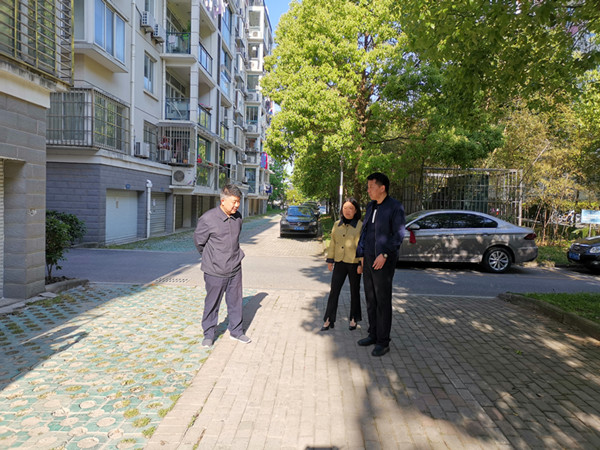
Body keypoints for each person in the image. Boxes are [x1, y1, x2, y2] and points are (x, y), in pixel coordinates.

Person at [193, 184, 251, 347]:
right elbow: (199, 242)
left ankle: (236, 331)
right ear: (223, 201)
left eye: (238, 202)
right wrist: (212, 258)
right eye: (234, 202)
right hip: (215, 270)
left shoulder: (237, 217)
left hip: (235, 268)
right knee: (212, 304)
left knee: (236, 302)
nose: (237, 205)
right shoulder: (208, 219)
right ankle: (209, 334)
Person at [356, 172, 405, 357]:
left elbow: (398, 234)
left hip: (383, 260)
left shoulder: (395, 207)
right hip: (368, 258)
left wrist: (384, 254)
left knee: (382, 300)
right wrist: (361, 254)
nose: (368, 190)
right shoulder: (371, 206)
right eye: (368, 187)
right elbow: (365, 231)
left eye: (371, 187)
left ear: (382, 188)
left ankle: (383, 342)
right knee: (370, 299)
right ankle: (373, 334)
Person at [321, 198, 363, 332]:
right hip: (339, 262)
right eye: (345, 208)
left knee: (354, 291)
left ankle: (354, 318)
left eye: (351, 208)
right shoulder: (336, 224)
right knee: (334, 291)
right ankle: (328, 319)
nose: (347, 211)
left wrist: (361, 263)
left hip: (354, 263)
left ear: (355, 211)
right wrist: (330, 260)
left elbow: (362, 246)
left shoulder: (360, 225)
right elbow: (333, 243)